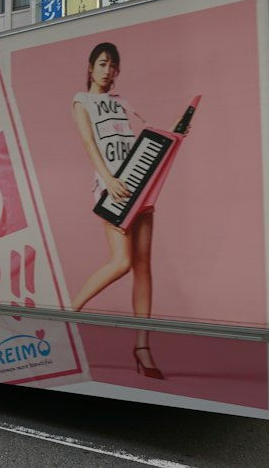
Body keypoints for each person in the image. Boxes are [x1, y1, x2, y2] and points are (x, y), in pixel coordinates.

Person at [69, 42, 182, 380]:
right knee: (122, 262)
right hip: (112, 189)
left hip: (140, 185)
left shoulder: (123, 103)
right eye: (102, 63)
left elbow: (142, 140)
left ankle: (142, 346)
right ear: (91, 67)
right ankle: (68, 313)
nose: (107, 70)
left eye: (113, 65)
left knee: (144, 267)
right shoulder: (81, 100)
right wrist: (107, 181)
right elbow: (89, 144)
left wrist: (176, 133)